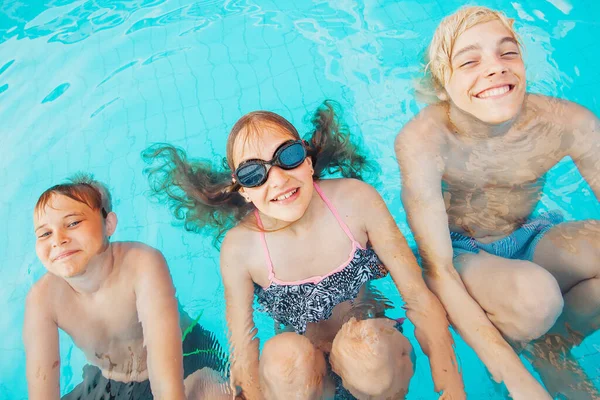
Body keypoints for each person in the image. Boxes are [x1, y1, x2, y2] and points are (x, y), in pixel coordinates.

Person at [143, 101, 465, 399]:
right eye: (254, 174)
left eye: (288, 156)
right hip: (308, 377)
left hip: (371, 357)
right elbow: (243, 348)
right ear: (243, 191)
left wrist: (451, 387)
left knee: (367, 348)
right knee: (284, 359)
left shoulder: (356, 202)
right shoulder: (240, 249)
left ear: (308, 161)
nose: (278, 179)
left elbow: (417, 295)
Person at [395, 6, 600, 400]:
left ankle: (551, 348)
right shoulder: (424, 141)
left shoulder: (567, 123)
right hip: (462, 253)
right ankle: (522, 346)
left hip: (532, 234)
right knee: (536, 298)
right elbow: (437, 269)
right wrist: (513, 377)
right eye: (469, 61)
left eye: (508, 53)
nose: (496, 68)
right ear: (441, 84)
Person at [24, 174, 230, 400]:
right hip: (110, 379)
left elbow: (166, 377)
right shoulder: (42, 298)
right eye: (45, 233)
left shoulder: (141, 263)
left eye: (73, 223)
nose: (58, 239)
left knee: (215, 394)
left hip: (187, 358)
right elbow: (42, 387)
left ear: (108, 224)